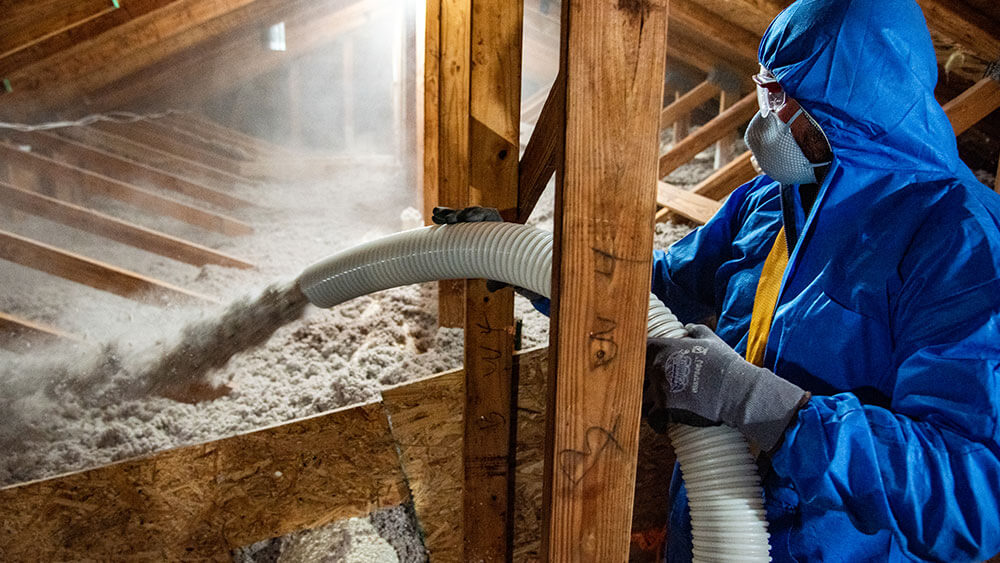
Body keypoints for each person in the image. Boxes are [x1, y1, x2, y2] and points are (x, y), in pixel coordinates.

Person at [434, 0, 1000, 560]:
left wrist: (761, 404)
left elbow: (972, 492)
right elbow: (651, 293)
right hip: (709, 530)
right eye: (765, 88)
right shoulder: (766, 202)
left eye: (783, 99)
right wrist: (524, 257)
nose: (764, 118)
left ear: (852, 109)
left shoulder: (959, 242)